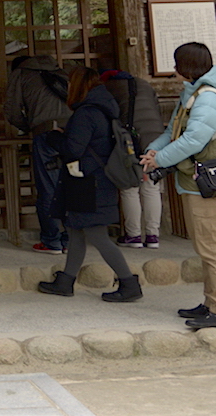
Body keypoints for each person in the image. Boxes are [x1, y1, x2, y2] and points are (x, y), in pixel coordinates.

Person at [141, 41, 216, 329]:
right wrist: (152, 152)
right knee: (206, 248)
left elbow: (194, 140)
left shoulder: (207, 99)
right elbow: (173, 132)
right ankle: (210, 303)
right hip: (193, 182)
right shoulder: (193, 94)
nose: (174, 69)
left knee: (213, 250)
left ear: (187, 67)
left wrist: (161, 160)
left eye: (177, 63)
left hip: (205, 185)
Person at [36, 67, 142, 302]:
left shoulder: (86, 113)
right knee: (75, 231)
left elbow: (73, 149)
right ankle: (66, 280)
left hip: (88, 180)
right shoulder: (106, 109)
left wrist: (54, 136)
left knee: (96, 234)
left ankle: (128, 282)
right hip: (95, 178)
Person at [4, 53, 71, 254]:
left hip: (47, 133)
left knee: (49, 186)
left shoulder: (21, 74)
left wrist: (29, 126)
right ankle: (71, 239)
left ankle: (51, 240)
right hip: (74, 132)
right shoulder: (62, 72)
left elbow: (12, 109)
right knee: (72, 183)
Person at [101, 69, 165, 249]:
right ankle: (153, 235)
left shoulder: (109, 88)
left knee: (130, 187)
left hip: (131, 140)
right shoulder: (144, 84)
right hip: (156, 138)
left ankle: (133, 235)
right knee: (152, 187)